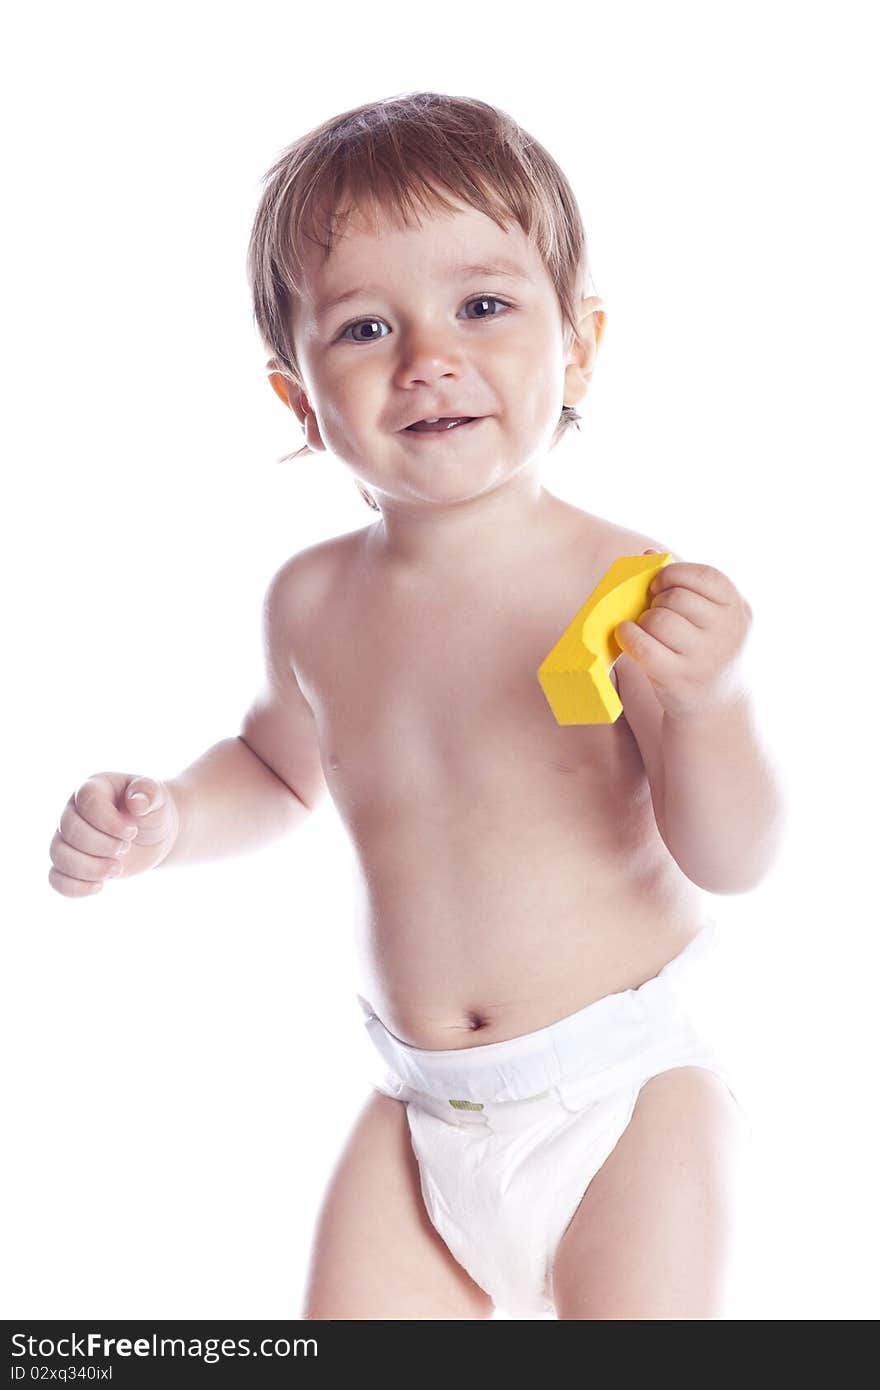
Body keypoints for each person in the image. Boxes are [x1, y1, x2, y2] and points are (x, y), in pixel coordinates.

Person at [47, 91, 785, 1320]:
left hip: (621, 1099)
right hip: (420, 1111)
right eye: (365, 327)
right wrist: (171, 817)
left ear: (582, 346)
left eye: (482, 306)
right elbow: (279, 772)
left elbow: (732, 855)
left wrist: (711, 706)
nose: (426, 359)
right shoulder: (312, 601)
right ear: (296, 398)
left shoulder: (622, 589)